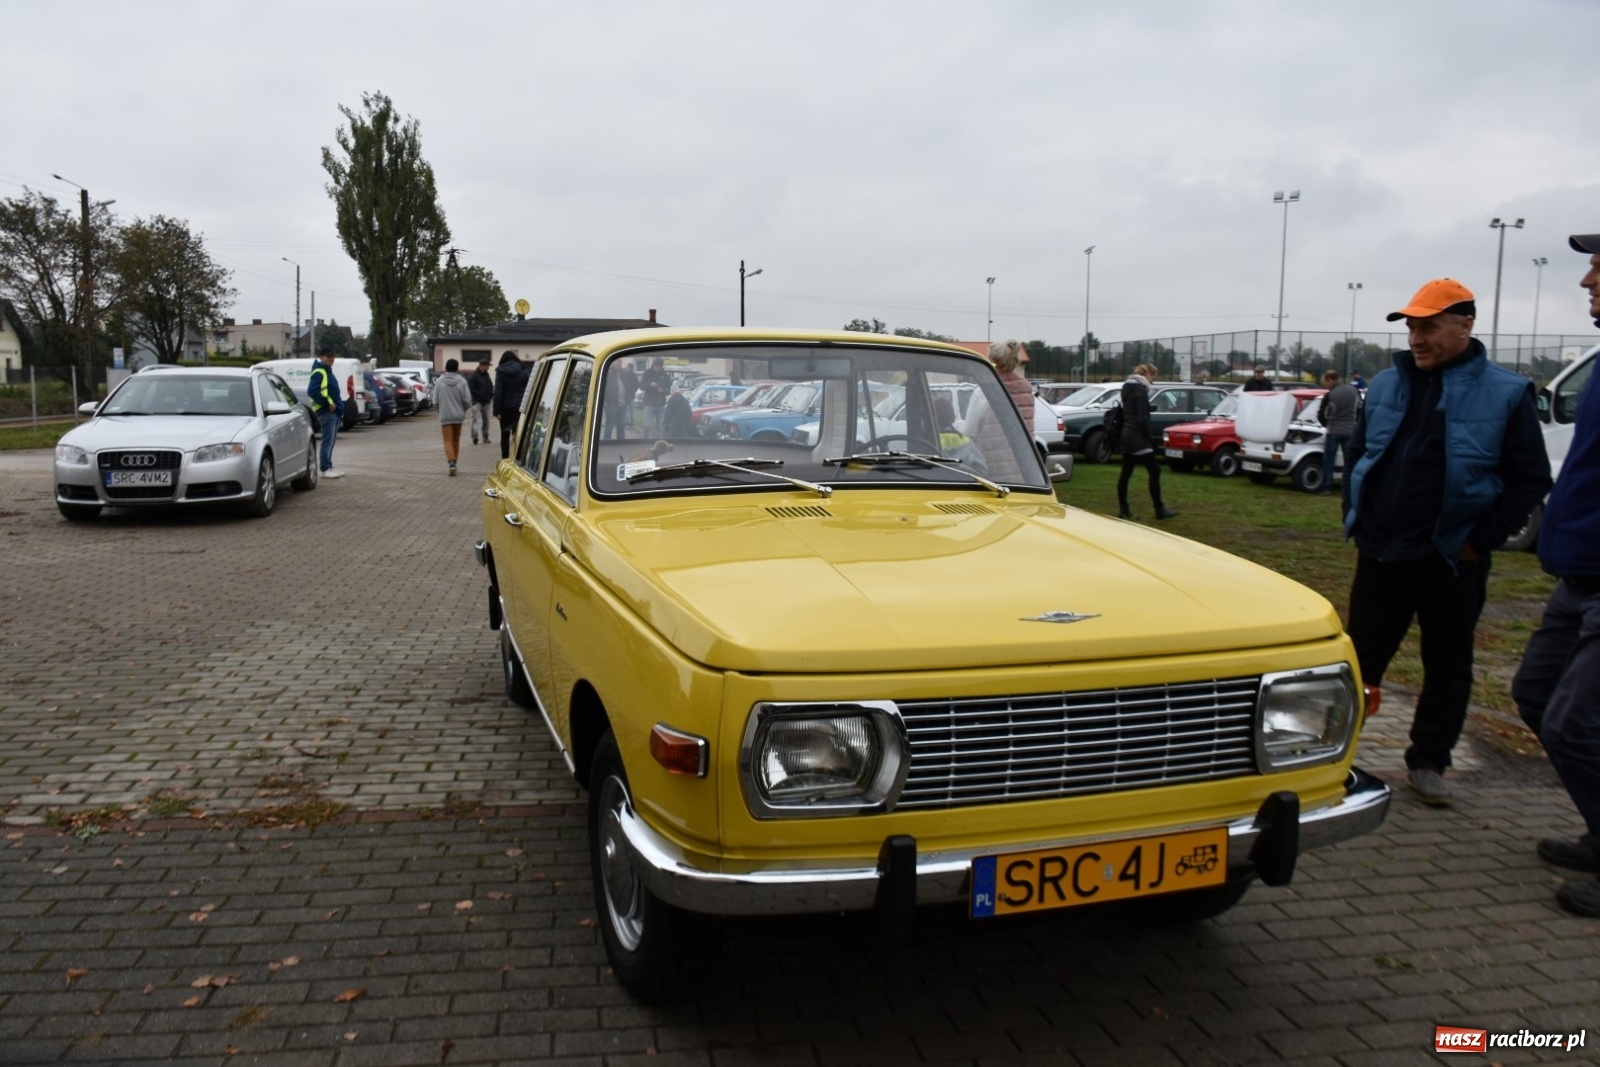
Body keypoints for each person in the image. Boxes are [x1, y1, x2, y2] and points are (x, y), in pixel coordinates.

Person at [1342, 278, 1551, 807]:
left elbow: (1529, 479)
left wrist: (1476, 541)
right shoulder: (1388, 384)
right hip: (1381, 552)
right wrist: (1358, 514)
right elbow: (1361, 452)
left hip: (1450, 559)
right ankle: (1335, 756)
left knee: (1448, 665)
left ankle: (1429, 760)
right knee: (1357, 663)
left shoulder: (1506, 392)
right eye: (1412, 326)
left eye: (1429, 326)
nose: (1417, 337)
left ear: (1464, 326)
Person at [1512, 232, 1600, 916]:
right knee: (1537, 694)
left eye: (1599, 267)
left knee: (1575, 721)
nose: (1586, 280)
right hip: (1580, 578)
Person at [1116, 362, 1178, 521]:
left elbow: (1131, 410)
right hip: (1137, 436)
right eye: (1153, 378)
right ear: (1148, 375)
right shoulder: (1141, 390)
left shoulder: (1127, 388)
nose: (1152, 381)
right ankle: (1159, 509)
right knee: (1155, 471)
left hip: (1126, 434)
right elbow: (1142, 419)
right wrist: (1149, 440)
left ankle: (1124, 508)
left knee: (1126, 473)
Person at [1317, 369, 1361, 493]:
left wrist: (1326, 425)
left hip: (1333, 430)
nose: (1326, 385)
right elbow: (1360, 410)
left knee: (1329, 459)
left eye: (1325, 383)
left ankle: (1327, 486)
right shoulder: (1354, 391)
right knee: (1349, 460)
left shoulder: (1330, 395)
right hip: (1350, 430)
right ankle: (1349, 486)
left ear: (1330, 380)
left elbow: (1321, 414)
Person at [307, 344, 345, 478]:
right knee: (327, 441)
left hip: (332, 412)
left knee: (331, 441)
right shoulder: (320, 372)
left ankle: (329, 465)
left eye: (332, 356)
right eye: (328, 356)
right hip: (326, 412)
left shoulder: (327, 371)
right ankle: (325, 468)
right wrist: (327, 403)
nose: (331, 359)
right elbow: (312, 391)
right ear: (321, 357)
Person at [433, 358, 473, 475]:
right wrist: (463, 410)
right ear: (457, 368)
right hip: (458, 415)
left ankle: (451, 462)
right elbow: (467, 400)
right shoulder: (462, 381)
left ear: (446, 368)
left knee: (447, 439)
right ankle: (454, 461)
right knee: (456, 438)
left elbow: (435, 400)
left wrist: (439, 410)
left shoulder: (440, 381)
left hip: (445, 415)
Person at [988, 339, 1035, 428]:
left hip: (993, 442)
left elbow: (970, 429)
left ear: (993, 359)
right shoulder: (1026, 387)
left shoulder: (987, 388)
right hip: (1024, 441)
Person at [492, 350, 530, 459]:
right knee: (520, 432)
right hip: (521, 407)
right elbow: (529, 389)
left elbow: (498, 393)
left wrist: (496, 411)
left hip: (506, 408)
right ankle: (519, 457)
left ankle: (505, 457)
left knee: (504, 435)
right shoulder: (523, 370)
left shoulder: (501, 372)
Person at [639, 357, 671, 438]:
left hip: (661, 405)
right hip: (649, 404)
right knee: (647, 425)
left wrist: (662, 390)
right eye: (656, 366)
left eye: (659, 367)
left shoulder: (666, 376)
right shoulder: (647, 373)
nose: (657, 368)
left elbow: (668, 391)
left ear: (662, 367)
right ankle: (645, 442)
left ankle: (657, 443)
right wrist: (650, 385)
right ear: (653, 365)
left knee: (659, 426)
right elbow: (641, 386)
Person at [467, 358, 494, 445]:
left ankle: (485, 437)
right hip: (477, 401)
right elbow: (471, 389)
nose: (488, 368)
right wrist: (480, 395)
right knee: (474, 419)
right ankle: (475, 436)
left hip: (486, 401)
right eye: (487, 366)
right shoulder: (473, 376)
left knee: (486, 420)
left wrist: (490, 395)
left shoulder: (487, 375)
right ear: (482, 366)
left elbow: (490, 386)